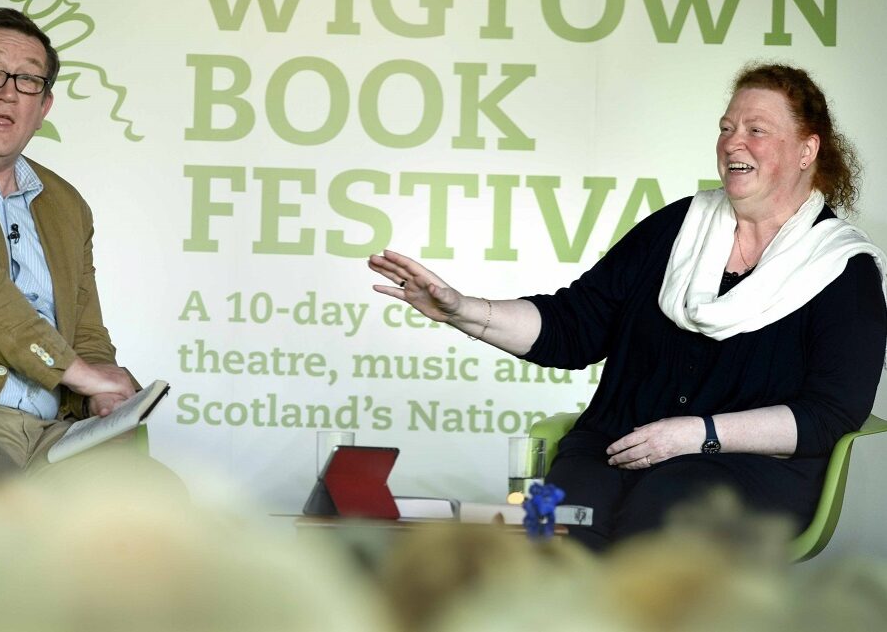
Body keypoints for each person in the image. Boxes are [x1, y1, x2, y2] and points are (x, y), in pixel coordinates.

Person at [368, 63, 887, 551]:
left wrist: (698, 436)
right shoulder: (677, 228)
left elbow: (829, 414)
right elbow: (576, 326)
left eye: (757, 130)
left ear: (806, 150)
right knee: (556, 535)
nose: (733, 142)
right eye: (726, 127)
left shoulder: (843, 268)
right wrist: (461, 309)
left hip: (748, 470)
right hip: (616, 446)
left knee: (660, 523)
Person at [0, 8, 139, 480]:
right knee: (8, 517)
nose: (9, 93)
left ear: (45, 107)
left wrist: (107, 392)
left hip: (53, 429)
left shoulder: (66, 203)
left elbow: (87, 333)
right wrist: (78, 372)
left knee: (157, 503)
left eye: (29, 80)